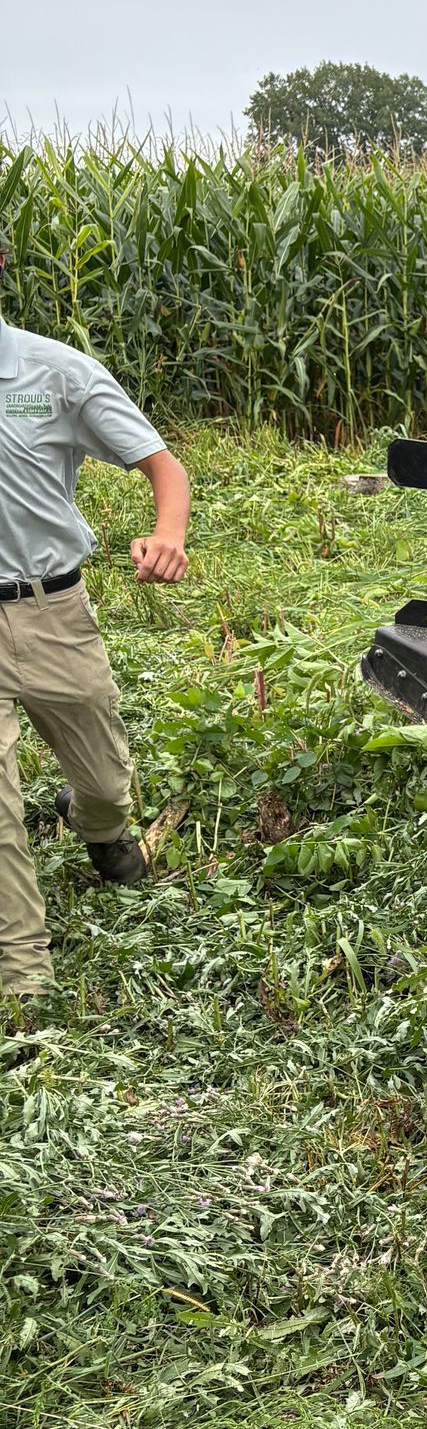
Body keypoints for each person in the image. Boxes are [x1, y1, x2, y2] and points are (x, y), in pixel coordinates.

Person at [0, 237, 190, 1003]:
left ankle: (96, 825)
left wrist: (168, 533)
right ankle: (25, 982)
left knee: (109, 785)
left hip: (50, 613)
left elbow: (161, 466)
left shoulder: (57, 373)